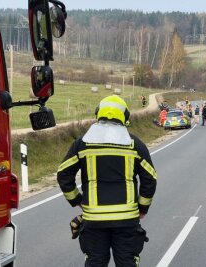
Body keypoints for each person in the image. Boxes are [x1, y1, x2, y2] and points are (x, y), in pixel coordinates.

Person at [57, 95, 157, 267]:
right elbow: (150, 178)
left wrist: (77, 201)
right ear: (125, 117)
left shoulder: (83, 144)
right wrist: (143, 208)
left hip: (94, 220)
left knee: (95, 262)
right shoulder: (135, 144)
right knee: (127, 263)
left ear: (98, 114)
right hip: (127, 219)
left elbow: (63, 174)